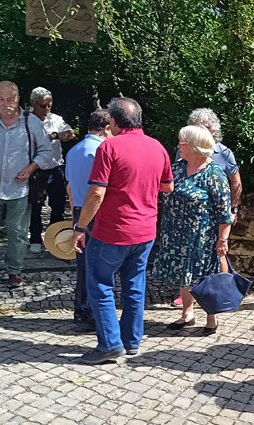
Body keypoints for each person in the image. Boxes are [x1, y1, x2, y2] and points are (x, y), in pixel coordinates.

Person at [73, 98, 173, 364]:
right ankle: (131, 341)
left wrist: (80, 227)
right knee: (135, 286)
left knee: (100, 285)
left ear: (113, 122)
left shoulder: (109, 147)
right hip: (145, 231)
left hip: (112, 231)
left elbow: (97, 192)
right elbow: (168, 186)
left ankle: (109, 344)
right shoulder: (157, 147)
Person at [153, 125, 233, 334]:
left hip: (203, 236)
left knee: (207, 275)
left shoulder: (214, 174)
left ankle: (211, 317)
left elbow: (224, 211)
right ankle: (187, 313)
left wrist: (222, 239)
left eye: (182, 142)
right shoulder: (178, 168)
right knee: (184, 273)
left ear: (195, 146)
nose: (178, 146)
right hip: (176, 233)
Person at [0, 81, 52, 289]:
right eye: (1, 99)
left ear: (18, 99)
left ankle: (14, 270)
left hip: (19, 189)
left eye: (10, 99)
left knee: (17, 233)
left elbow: (46, 150)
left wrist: (31, 168)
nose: (6, 104)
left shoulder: (31, 122)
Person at [172, 108, 243, 308]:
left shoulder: (224, 153)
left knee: (218, 255)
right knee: (187, 258)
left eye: (204, 127)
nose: (199, 131)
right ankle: (188, 298)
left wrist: (233, 209)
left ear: (213, 131)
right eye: (196, 127)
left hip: (213, 217)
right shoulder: (182, 151)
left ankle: (221, 294)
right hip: (189, 218)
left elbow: (235, 182)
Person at [64, 109, 111, 330]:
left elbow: (70, 187)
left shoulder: (74, 151)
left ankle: (81, 310)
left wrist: (75, 217)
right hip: (97, 211)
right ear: (107, 128)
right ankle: (94, 312)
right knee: (99, 265)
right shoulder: (103, 151)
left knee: (83, 265)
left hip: (78, 209)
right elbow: (100, 190)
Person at [28, 87, 76, 254]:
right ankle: (35, 238)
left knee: (58, 206)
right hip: (35, 169)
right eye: (43, 105)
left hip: (55, 168)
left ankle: (55, 239)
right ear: (33, 103)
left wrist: (59, 135)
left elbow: (70, 133)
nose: (46, 109)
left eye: (49, 105)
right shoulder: (25, 120)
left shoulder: (55, 119)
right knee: (35, 206)